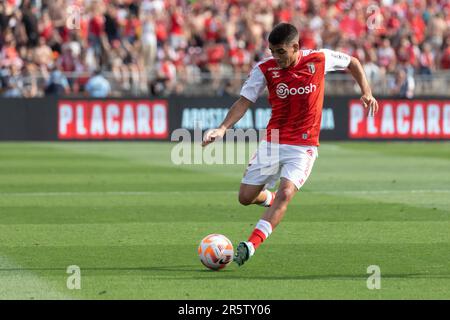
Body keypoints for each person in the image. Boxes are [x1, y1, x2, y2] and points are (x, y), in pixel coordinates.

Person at [202, 23, 379, 267]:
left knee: (286, 194)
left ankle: (251, 245)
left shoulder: (319, 59)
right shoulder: (264, 69)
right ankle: (269, 198)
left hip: (303, 147)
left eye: (281, 52)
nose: (276, 57)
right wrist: (222, 128)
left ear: (295, 47)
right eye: (272, 51)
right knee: (245, 198)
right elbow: (244, 101)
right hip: (273, 142)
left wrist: (366, 91)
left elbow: (353, 63)